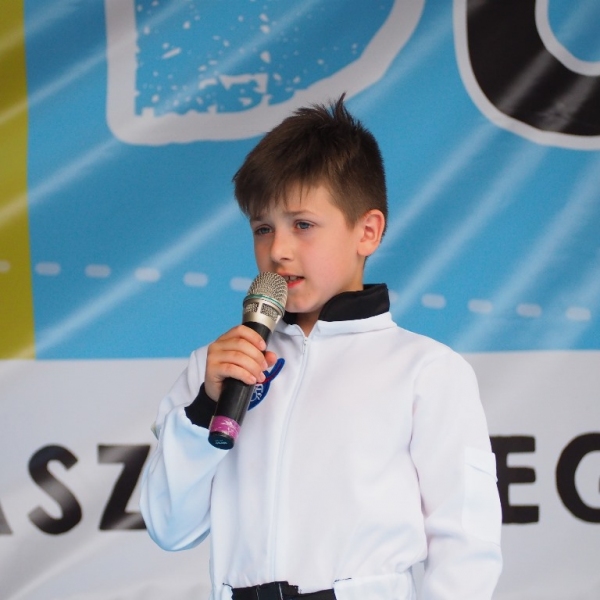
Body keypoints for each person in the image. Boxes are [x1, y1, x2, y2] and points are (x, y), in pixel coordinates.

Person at [140, 96, 502, 600]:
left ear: (367, 231)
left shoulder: (427, 369)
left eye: (303, 225)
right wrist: (204, 409)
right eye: (263, 228)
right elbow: (168, 526)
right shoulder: (217, 366)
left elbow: (466, 547)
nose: (278, 250)